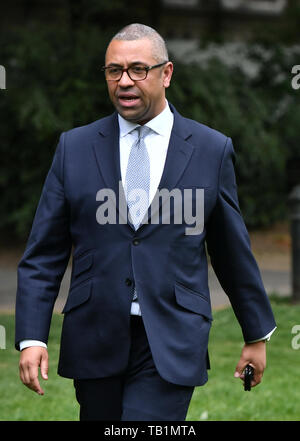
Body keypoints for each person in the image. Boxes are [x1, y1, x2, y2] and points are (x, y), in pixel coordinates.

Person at [15, 23, 276, 421]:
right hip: (95, 334)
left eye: (138, 69)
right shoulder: (75, 147)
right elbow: (43, 254)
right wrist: (32, 337)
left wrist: (256, 334)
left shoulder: (210, 149)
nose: (124, 81)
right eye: (113, 71)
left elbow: (230, 250)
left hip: (171, 338)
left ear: (166, 73)